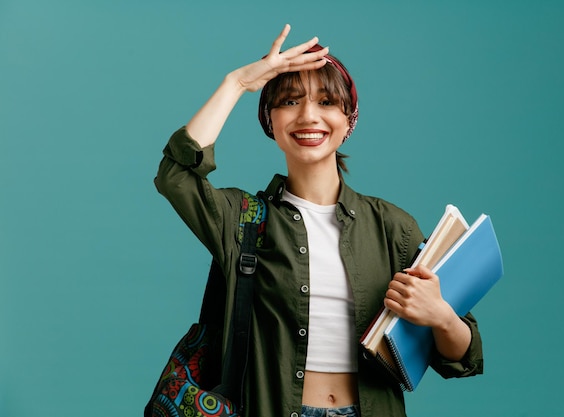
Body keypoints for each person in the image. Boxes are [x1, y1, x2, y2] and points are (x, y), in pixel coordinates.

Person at [155, 24, 483, 417]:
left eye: (327, 102)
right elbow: (176, 176)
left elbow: (463, 357)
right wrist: (238, 83)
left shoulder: (392, 227)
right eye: (290, 102)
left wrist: (442, 316)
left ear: (348, 120)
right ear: (270, 120)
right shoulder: (242, 221)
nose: (309, 116)